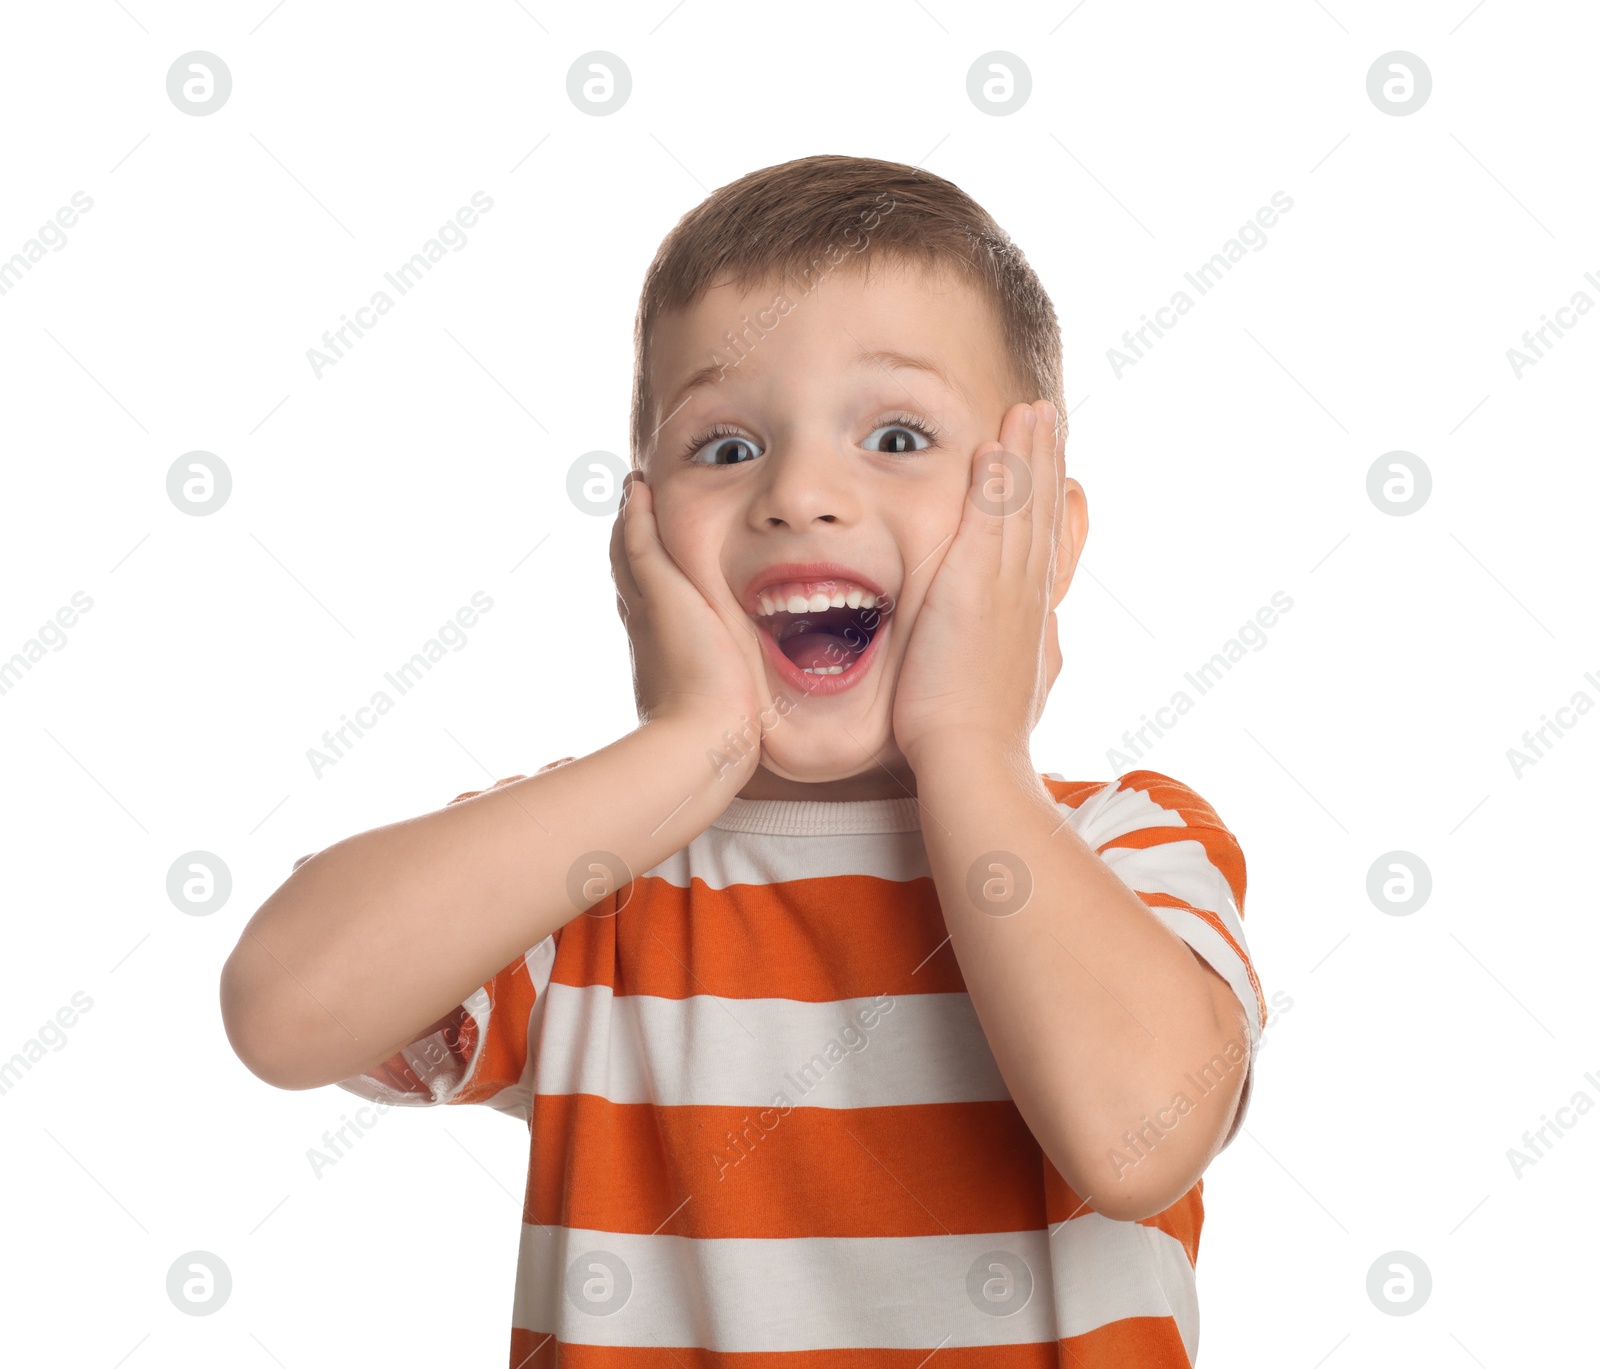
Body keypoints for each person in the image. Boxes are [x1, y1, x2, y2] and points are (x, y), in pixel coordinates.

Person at [221, 153, 1265, 1366]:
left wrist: (972, 749)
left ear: (1040, 531)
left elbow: (1136, 1140)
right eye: (723, 449)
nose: (799, 493)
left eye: (895, 432)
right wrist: (687, 746)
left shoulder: (1127, 844)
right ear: (637, 534)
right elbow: (281, 1010)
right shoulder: (587, 868)